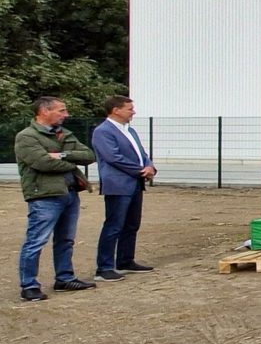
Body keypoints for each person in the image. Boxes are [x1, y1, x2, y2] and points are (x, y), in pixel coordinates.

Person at [15, 97, 97, 302]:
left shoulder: (63, 134)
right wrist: (71, 163)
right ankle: (29, 285)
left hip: (69, 193)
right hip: (45, 196)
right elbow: (43, 163)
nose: (66, 115)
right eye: (61, 110)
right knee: (36, 241)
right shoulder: (27, 137)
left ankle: (65, 278)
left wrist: (60, 155)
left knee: (66, 240)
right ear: (44, 111)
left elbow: (88, 155)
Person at [91, 95, 157, 279]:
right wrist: (140, 171)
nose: (133, 112)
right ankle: (104, 268)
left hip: (134, 183)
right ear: (116, 110)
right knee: (113, 225)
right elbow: (113, 157)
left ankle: (125, 260)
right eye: (129, 108)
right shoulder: (103, 131)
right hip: (118, 185)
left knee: (131, 224)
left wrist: (149, 166)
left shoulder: (130, 130)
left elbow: (141, 153)